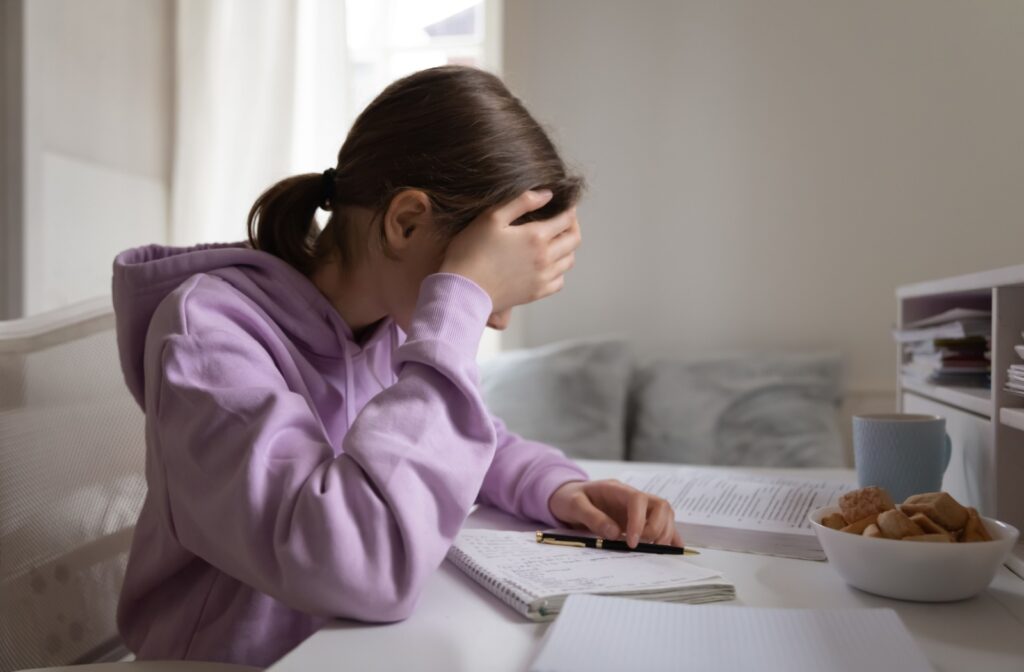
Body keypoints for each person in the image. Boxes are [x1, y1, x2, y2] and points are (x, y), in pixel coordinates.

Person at [111, 66, 682, 667]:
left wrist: (561, 489)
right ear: (405, 222)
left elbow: (473, 439)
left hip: (355, 649)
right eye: (489, 289)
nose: (496, 323)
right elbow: (359, 561)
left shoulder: (380, 328)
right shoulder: (210, 335)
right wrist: (455, 302)